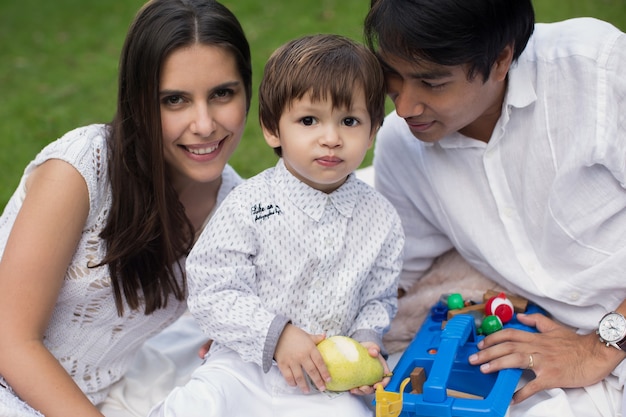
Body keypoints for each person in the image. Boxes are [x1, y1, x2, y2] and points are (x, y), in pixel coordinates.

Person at [364, 0, 626, 416]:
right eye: (393, 76)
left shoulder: (595, 68)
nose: (405, 107)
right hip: (537, 350)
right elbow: (395, 273)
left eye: (431, 82)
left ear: (502, 57)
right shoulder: (402, 142)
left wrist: (602, 345)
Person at [0, 0, 252, 416]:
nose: (205, 124)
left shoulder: (236, 210)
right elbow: (10, 340)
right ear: (138, 103)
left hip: (88, 400)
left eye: (222, 93)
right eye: (175, 100)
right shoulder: (82, 169)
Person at [148, 33, 405, 417]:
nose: (331, 138)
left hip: (324, 379)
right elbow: (212, 285)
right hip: (245, 365)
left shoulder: (382, 219)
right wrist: (277, 335)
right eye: (308, 120)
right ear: (272, 129)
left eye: (349, 121)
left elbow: (377, 298)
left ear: (372, 131)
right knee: (199, 405)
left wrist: (366, 344)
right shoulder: (250, 205)